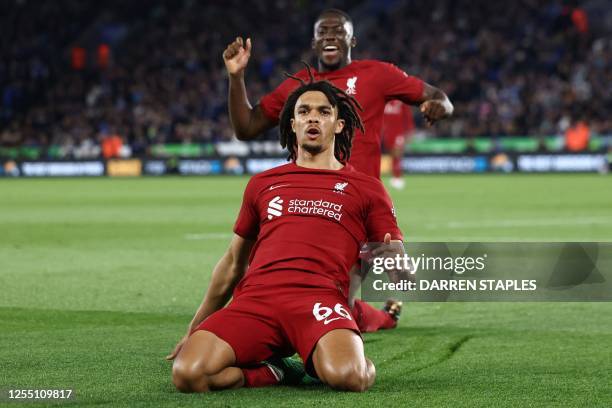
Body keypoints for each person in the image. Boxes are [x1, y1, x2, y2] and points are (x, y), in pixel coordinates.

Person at [168, 74, 406, 392]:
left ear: (339, 124)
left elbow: (402, 274)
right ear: (292, 123)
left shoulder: (367, 188)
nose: (313, 117)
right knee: (188, 374)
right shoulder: (262, 183)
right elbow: (233, 263)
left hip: (320, 300)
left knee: (350, 377)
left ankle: (323, 354)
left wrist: (395, 265)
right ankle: (279, 371)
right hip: (257, 300)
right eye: (304, 111)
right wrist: (195, 328)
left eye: (323, 111)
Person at [223, 8, 453, 332]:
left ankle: (377, 318)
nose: (330, 36)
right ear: (314, 42)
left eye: (337, 31)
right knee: (277, 293)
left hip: (355, 208)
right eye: (323, 32)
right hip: (302, 205)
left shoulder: (377, 74)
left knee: (331, 312)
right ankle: (376, 315)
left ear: (351, 40)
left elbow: (438, 96)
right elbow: (246, 127)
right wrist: (236, 77)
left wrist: (439, 107)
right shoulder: (299, 88)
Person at [382, 100, 415, 190]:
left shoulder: (401, 102)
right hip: (386, 133)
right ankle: (394, 176)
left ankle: (397, 177)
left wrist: (409, 131)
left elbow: (408, 117)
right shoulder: (384, 101)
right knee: (391, 154)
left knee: (397, 153)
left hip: (398, 132)